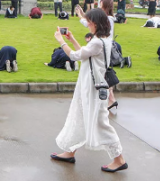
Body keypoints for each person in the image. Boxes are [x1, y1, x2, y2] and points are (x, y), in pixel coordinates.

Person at [50, 9, 127, 173]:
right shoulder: (102, 39)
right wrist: (72, 40)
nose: (88, 24)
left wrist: (61, 41)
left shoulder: (98, 42)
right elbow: (85, 54)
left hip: (93, 88)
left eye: (90, 22)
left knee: (100, 123)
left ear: (97, 23)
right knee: (80, 116)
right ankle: (69, 151)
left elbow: (75, 56)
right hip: (90, 86)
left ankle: (119, 159)